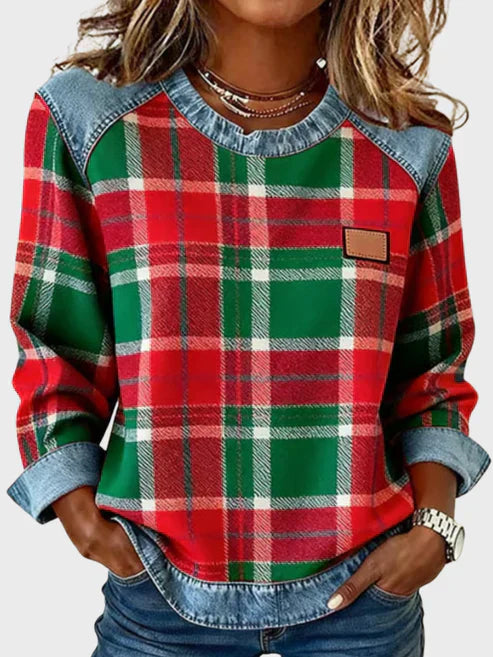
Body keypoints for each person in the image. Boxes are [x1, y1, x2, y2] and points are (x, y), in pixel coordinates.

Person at [6, 1, 490, 655]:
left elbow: (432, 369)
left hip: (365, 601)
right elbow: (54, 346)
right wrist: (82, 519)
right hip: (158, 595)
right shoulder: (89, 120)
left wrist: (434, 529)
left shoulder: (406, 142)